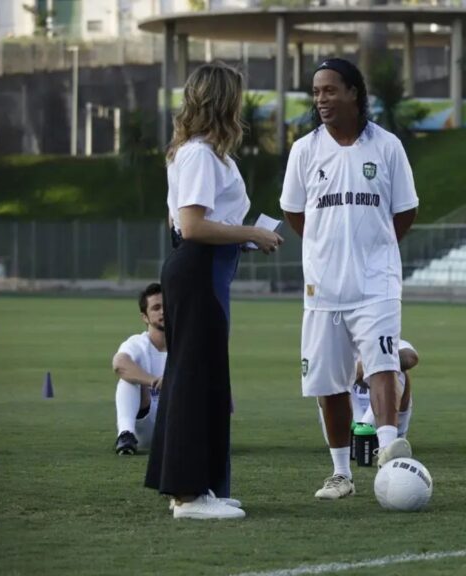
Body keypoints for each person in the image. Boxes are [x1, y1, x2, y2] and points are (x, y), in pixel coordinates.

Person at [145, 62, 283, 521]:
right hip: (199, 270)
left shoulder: (203, 153)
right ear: (224, 102)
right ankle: (188, 495)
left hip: (207, 269)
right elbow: (191, 225)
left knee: (202, 377)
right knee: (193, 378)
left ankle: (200, 485)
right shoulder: (200, 154)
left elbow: (194, 223)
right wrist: (251, 232)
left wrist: (244, 238)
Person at [280, 58, 419, 500]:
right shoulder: (304, 150)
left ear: (354, 93)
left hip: (376, 283)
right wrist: (327, 247)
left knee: (382, 362)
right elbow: (293, 211)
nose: (321, 99)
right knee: (329, 384)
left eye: (330, 90)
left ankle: (388, 452)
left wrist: (374, 249)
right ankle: (341, 473)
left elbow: (406, 210)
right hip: (322, 288)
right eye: (316, 92)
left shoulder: (388, 146)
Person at [113, 283, 166, 456]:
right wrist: (153, 381)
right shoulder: (137, 343)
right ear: (145, 317)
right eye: (156, 308)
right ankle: (126, 434)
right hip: (147, 425)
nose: (163, 312)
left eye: (167, 306)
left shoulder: (187, 344)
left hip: (179, 422)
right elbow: (119, 363)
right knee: (127, 379)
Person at [348, 339, 419, 435]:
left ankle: (367, 430)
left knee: (397, 373)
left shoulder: (387, 341)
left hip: (386, 415)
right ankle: (357, 432)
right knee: (329, 375)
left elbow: (411, 358)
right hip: (348, 414)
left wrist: (368, 367)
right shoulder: (339, 346)